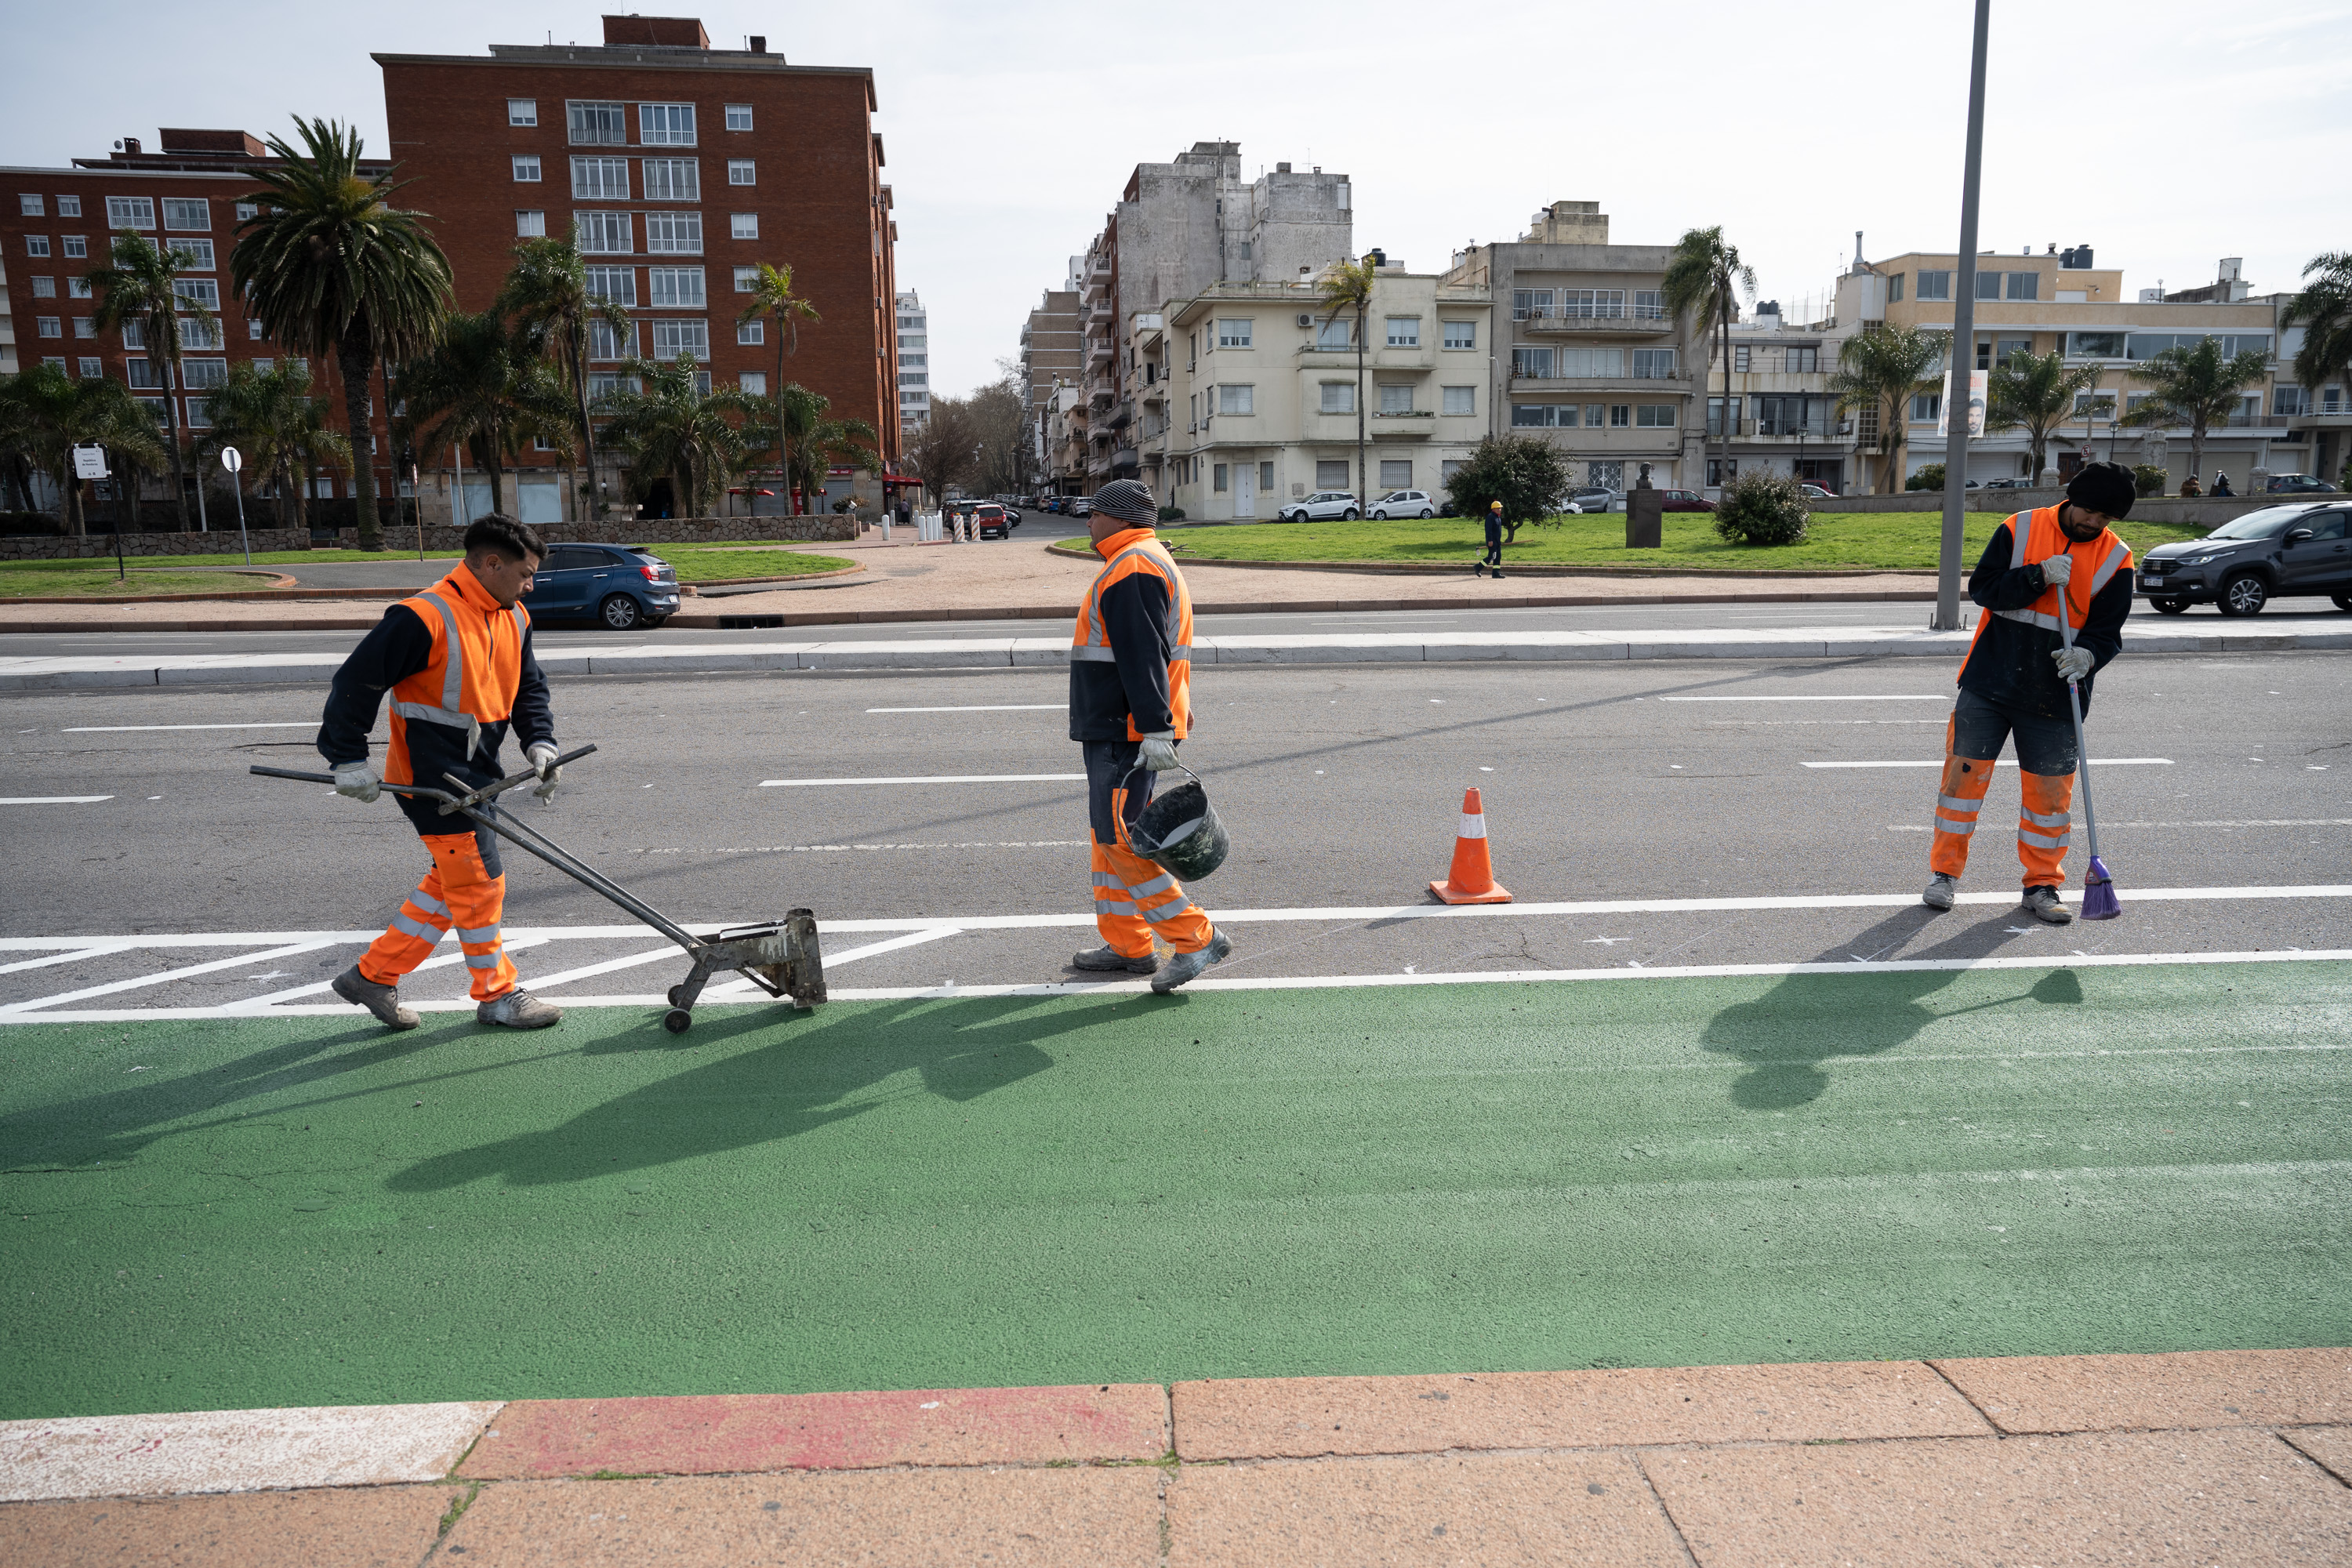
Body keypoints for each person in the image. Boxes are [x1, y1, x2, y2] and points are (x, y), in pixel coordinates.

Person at [318, 514, 565, 1030]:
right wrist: (346, 758)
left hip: (480, 774)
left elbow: (528, 689)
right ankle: (496, 995)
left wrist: (540, 742)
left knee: (451, 882)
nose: (530, 584)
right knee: (480, 883)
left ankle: (373, 976)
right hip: (431, 781)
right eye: (524, 573)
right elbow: (356, 684)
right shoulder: (422, 616)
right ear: (490, 563)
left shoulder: (513, 616)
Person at [1922, 462, 2136, 925]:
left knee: (2050, 800)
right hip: (1990, 682)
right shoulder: (2019, 529)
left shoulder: (2116, 559)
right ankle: (1944, 874)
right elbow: (1984, 590)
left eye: (2106, 518)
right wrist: (2037, 576)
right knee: (1961, 787)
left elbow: (2107, 632)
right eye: (2091, 511)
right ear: (2072, 498)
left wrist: (2087, 657)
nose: (2095, 523)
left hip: (2057, 695)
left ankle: (2042, 885)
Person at [1067, 478, 1232, 993]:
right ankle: (1129, 944)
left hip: (1128, 732)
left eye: (1093, 512)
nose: (1088, 521)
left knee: (1120, 837)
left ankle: (1194, 937)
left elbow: (1144, 658)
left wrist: (1156, 728)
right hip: (1127, 728)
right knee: (1107, 835)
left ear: (1119, 517)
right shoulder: (1140, 560)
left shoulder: (1133, 566)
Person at [1474, 499, 1505, 578]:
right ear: (1493, 509)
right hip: (1492, 542)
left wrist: (1499, 541)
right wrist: (1490, 540)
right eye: (1498, 508)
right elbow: (1488, 530)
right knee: (1492, 557)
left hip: (1497, 542)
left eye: (1500, 508)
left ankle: (1496, 573)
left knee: (1498, 557)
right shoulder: (1490, 517)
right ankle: (1478, 567)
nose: (1500, 510)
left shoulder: (1498, 517)